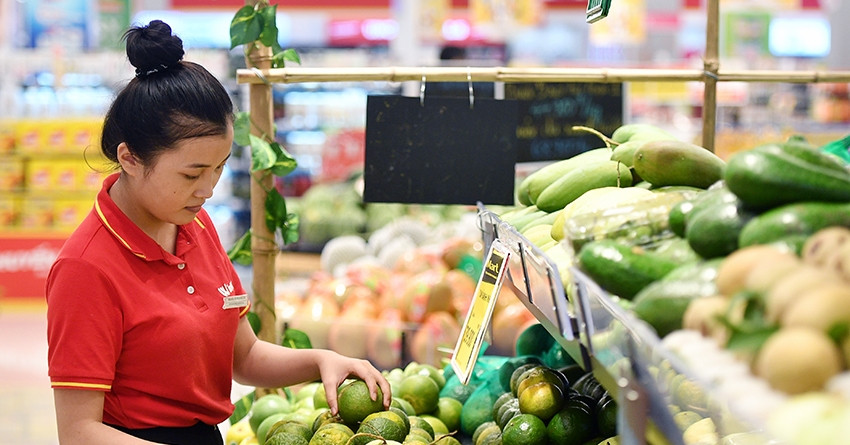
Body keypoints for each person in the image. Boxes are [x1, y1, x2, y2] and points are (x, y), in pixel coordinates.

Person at [45, 20, 390, 445]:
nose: (207, 190)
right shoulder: (86, 268)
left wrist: (323, 361)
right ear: (130, 158)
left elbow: (243, 357)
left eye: (219, 168)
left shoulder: (194, 224)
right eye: (192, 173)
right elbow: (79, 433)